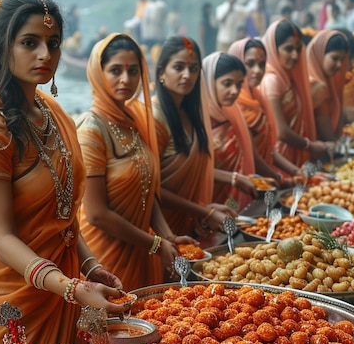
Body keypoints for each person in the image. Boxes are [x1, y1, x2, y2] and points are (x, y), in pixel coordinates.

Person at [0, 0, 124, 344]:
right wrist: (72, 288)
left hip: (65, 287)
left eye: (53, 43)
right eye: (30, 43)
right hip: (15, 302)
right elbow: (1, 236)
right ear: (3, 48)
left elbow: (63, 216)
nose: (45, 54)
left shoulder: (53, 112)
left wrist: (92, 267)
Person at [77, 33, 194, 291]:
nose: (126, 80)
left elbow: (147, 189)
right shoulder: (91, 130)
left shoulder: (134, 120)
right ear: (99, 73)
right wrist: (154, 243)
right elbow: (96, 214)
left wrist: (166, 235)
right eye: (115, 70)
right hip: (106, 257)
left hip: (142, 249)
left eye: (133, 71)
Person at [152, 36, 235, 240]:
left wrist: (204, 208)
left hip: (188, 221)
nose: (187, 75)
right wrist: (204, 211)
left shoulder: (191, 113)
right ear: (162, 71)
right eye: (178, 67)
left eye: (194, 68)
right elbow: (151, 189)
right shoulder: (154, 116)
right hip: (161, 229)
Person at [228, 37, 301, 180]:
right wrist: (280, 178)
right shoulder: (233, 104)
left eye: (261, 65)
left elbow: (269, 151)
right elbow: (252, 156)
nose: (257, 70)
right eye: (250, 64)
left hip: (267, 177)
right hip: (247, 183)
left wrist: (296, 172)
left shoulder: (257, 98)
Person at [261, 19, 330, 167]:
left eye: (298, 49)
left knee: (305, 189)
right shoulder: (272, 81)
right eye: (288, 49)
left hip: (297, 154)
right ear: (273, 49)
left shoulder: (289, 79)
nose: (295, 55)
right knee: (295, 190)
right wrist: (309, 146)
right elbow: (281, 132)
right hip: (283, 161)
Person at [202, 52, 258, 211]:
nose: (235, 91)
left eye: (239, 84)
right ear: (209, 82)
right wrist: (234, 179)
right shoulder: (195, 119)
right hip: (206, 206)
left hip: (232, 200)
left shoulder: (230, 113)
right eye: (227, 83)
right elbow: (194, 171)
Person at [306, 29, 350, 142]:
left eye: (342, 59)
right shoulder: (317, 87)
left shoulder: (327, 82)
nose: (339, 65)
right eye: (334, 58)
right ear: (319, 54)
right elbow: (327, 135)